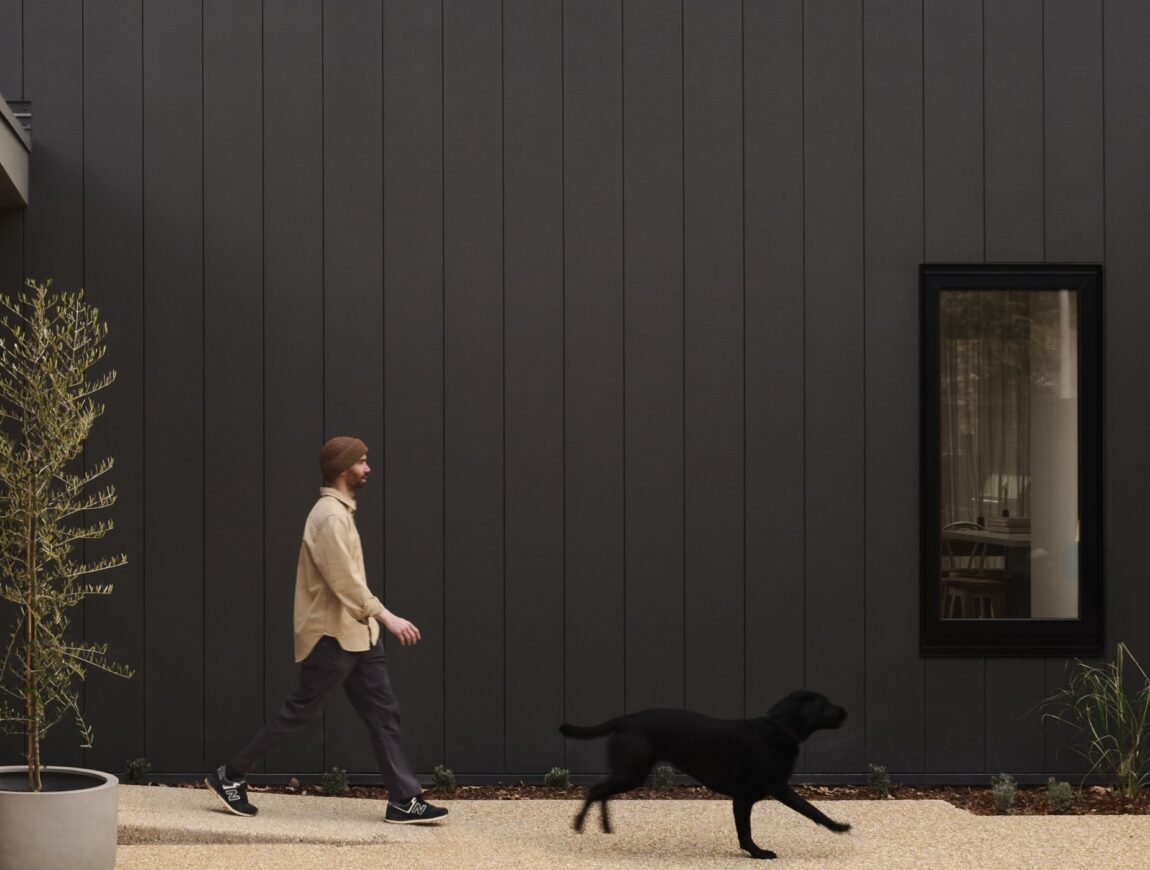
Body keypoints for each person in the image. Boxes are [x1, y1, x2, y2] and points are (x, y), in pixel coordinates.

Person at [205, 436, 447, 824]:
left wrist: (372, 624)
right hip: (333, 637)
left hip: (359, 636)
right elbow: (345, 580)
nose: (368, 468)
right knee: (298, 712)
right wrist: (387, 616)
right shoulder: (329, 517)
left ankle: (404, 799)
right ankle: (230, 776)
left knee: (384, 714)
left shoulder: (341, 511)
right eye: (362, 462)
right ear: (342, 468)